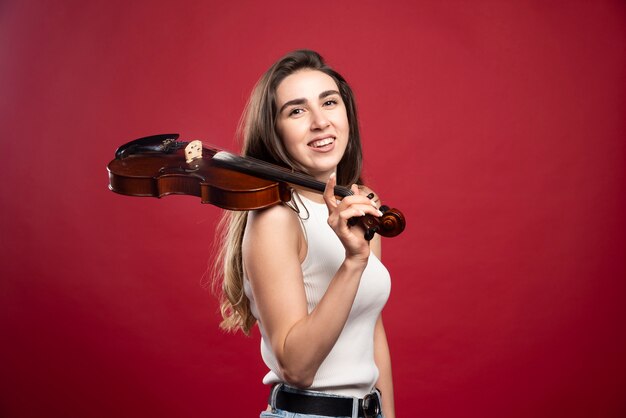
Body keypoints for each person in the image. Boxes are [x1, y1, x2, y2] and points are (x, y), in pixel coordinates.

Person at [214, 49, 395, 418]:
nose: (319, 122)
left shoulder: (361, 205)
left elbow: (370, 331)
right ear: (275, 132)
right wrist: (353, 262)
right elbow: (296, 367)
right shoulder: (276, 218)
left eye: (329, 102)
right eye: (296, 111)